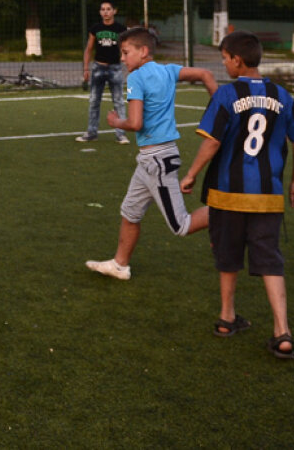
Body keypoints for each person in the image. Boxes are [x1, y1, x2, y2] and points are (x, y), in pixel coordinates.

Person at [180, 31, 294, 360]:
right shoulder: (283, 95)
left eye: (224, 58)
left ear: (237, 60)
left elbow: (212, 141)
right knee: (270, 261)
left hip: (227, 195)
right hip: (267, 195)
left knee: (228, 256)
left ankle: (226, 318)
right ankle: (282, 331)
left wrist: (192, 173)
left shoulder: (225, 95)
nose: (224, 63)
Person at [85, 27, 217, 280]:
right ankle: (120, 265)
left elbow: (135, 123)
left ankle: (228, 213)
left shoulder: (136, 77)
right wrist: (220, 109)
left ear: (143, 51)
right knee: (130, 212)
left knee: (181, 225)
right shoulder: (167, 70)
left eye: (125, 52)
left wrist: (115, 122)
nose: (122, 59)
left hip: (158, 159)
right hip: (150, 160)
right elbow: (206, 74)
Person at [77, 0, 128, 144]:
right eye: (103, 9)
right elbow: (88, 49)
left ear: (114, 11)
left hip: (115, 68)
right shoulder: (96, 28)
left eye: (108, 9)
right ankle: (92, 132)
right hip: (98, 68)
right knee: (94, 101)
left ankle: (121, 134)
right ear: (100, 12)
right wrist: (86, 68)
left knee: (118, 100)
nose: (105, 12)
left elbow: (126, 49)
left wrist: (126, 63)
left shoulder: (120, 29)